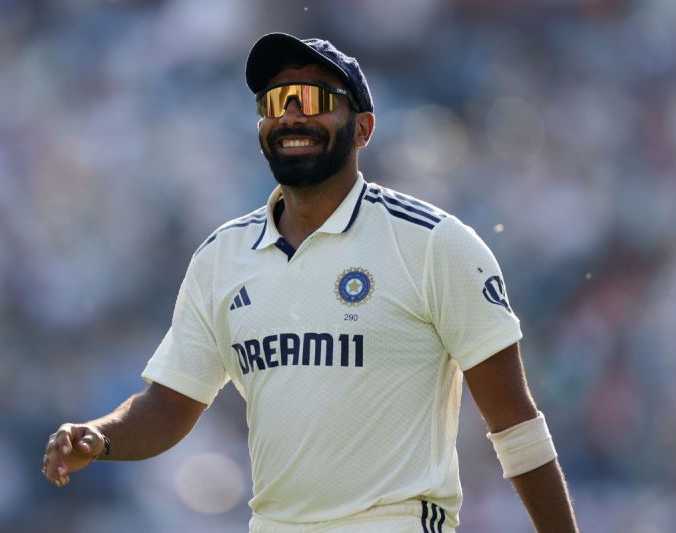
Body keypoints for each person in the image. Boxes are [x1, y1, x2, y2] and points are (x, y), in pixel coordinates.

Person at [42, 32, 579, 532]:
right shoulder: (221, 257)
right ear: (260, 129)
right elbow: (168, 407)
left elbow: (516, 425)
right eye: (276, 102)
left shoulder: (433, 244)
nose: (293, 114)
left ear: (363, 127)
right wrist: (102, 436)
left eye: (315, 99)